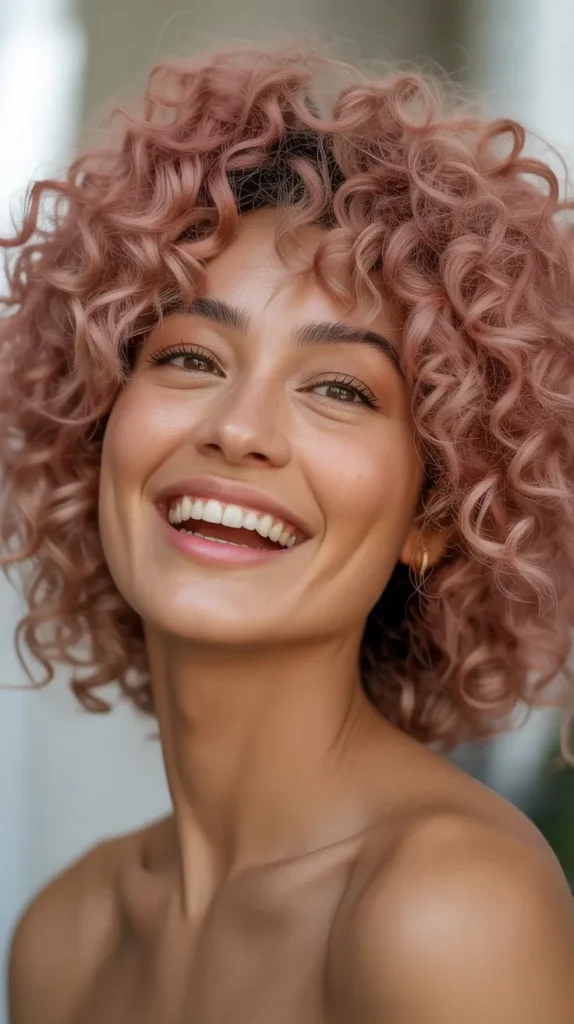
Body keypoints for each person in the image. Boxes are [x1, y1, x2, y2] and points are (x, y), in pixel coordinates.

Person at [3, 43, 574, 1024]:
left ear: (436, 515)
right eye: (188, 356)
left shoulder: (446, 908)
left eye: (339, 387)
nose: (237, 428)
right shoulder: (65, 935)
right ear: (97, 422)